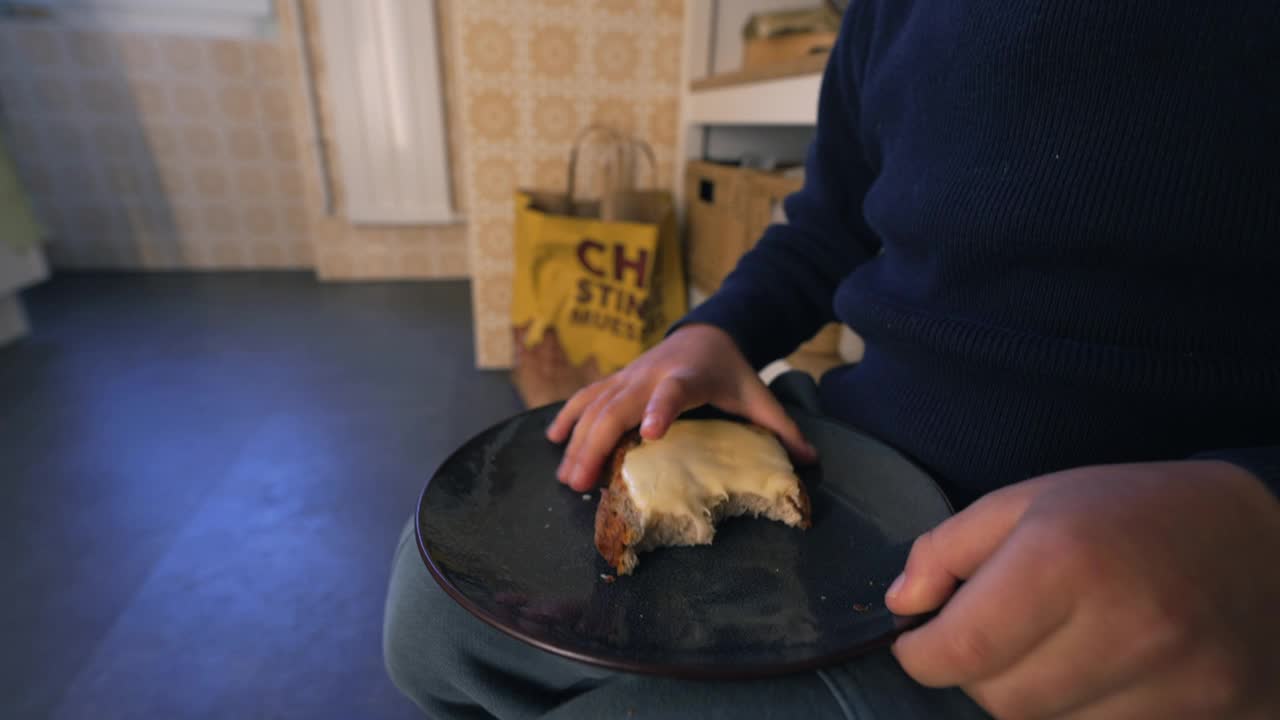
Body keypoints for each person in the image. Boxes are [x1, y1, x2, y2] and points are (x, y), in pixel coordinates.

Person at [385, 2, 1280, 717]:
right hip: (859, 455)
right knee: (431, 622)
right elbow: (828, 224)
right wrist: (718, 331)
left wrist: (1258, 517)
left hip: (1117, 586)